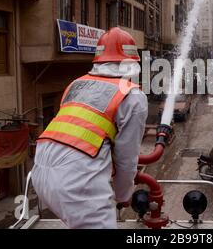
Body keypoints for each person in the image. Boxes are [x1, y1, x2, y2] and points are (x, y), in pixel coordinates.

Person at [31, 28, 148, 229]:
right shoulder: (133, 96)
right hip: (77, 184)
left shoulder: (76, 84)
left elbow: (79, 135)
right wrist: (123, 196)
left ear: (98, 61)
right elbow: (126, 157)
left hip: (40, 175)